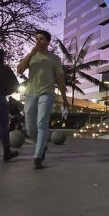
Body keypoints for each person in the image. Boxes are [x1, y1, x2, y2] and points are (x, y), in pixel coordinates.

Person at [17, 30, 69, 169]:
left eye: (41, 39)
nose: (38, 41)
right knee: (30, 127)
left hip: (47, 93)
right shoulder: (31, 57)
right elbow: (19, 70)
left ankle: (38, 156)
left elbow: (59, 79)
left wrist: (64, 99)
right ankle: (42, 145)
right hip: (30, 94)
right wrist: (31, 53)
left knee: (41, 123)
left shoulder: (54, 58)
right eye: (36, 38)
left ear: (47, 42)